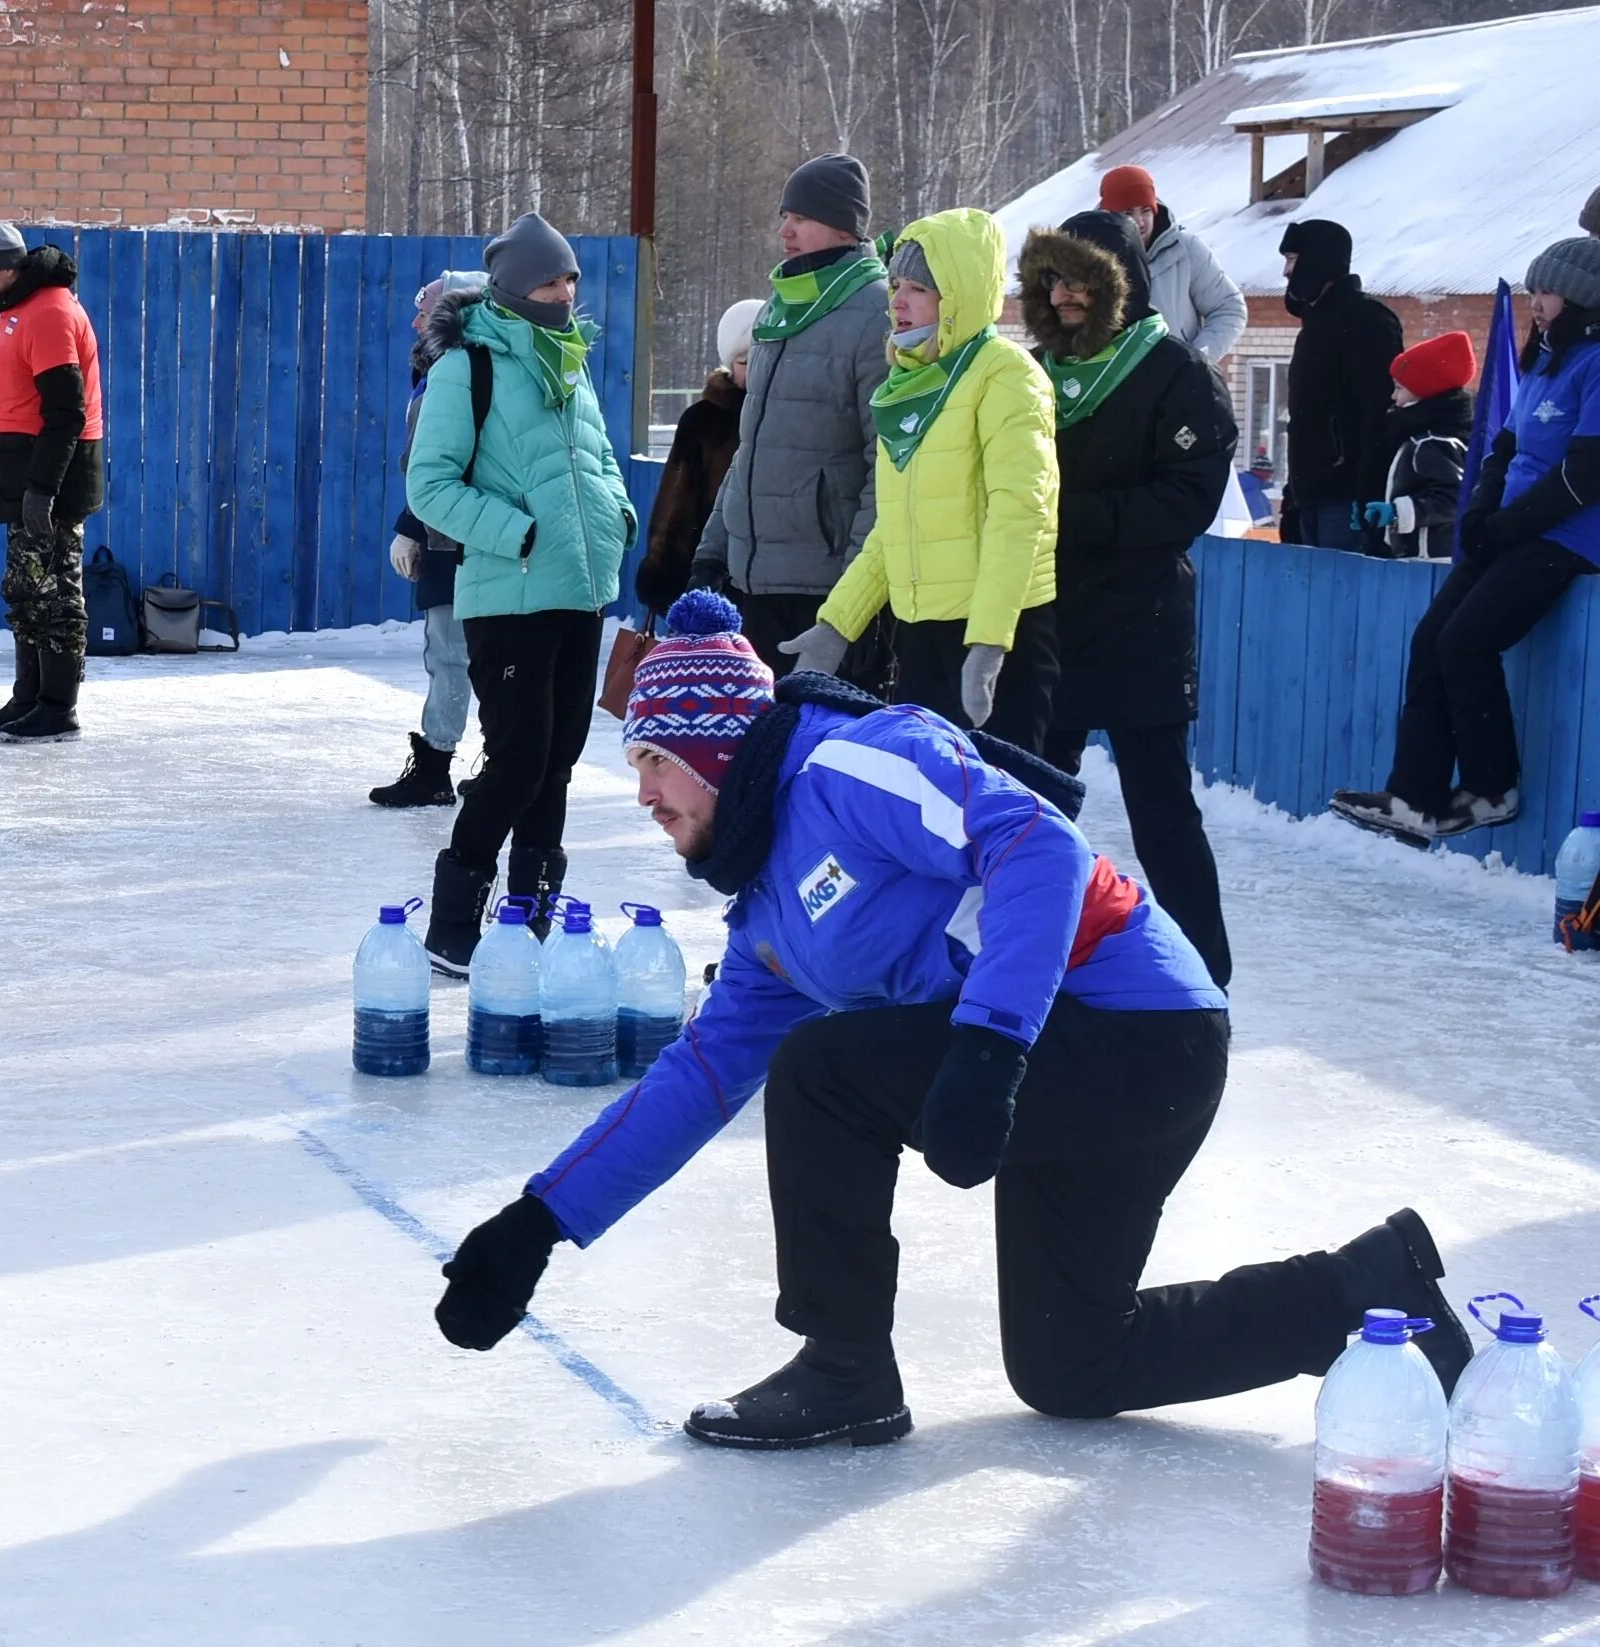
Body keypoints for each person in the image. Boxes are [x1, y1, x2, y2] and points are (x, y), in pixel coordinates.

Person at [432, 591, 1471, 1449]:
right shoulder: (766, 919)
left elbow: (1041, 848)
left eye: (653, 759)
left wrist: (985, 1048)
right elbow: (697, 1080)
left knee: (821, 1067)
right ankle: (1364, 1293)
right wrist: (542, 1222)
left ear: (714, 745)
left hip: (1138, 1030)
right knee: (1073, 1364)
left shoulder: (849, 766)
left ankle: (843, 1367)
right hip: (1069, 1062)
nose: (644, 794)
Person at [406, 211, 636, 973]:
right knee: (517, 761)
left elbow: (598, 463)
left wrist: (616, 520)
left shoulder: (568, 362)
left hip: (578, 590)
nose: (564, 290)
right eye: (549, 277)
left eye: (570, 276)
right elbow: (430, 484)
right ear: (510, 288)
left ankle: (531, 920)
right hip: (507, 596)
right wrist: (517, 533)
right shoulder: (465, 367)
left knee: (559, 758)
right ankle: (452, 926)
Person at [1018, 211, 1237, 990]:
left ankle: (1203, 978)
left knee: (1161, 813)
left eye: (1080, 278)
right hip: (1050, 619)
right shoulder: (1036, 370)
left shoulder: (1176, 372)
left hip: (1141, 619)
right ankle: (1024, 964)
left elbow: (1186, 501)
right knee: (1033, 808)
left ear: (1121, 284)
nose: (1063, 293)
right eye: (1051, 277)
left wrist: (1076, 517)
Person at [1333, 239, 1600, 844]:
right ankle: (1413, 798)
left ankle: (1491, 788)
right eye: (1532, 291)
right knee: (1431, 640)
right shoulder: (1546, 358)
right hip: (1512, 527)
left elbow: (1585, 475)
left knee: (1465, 644)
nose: (1535, 303)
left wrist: (1505, 526)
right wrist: (1478, 511)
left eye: (1546, 292)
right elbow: (1503, 447)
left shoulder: (1596, 364)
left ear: (1582, 297)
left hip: (1564, 537)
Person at [787, 209, 1063, 750]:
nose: (897, 301)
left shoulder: (1005, 374)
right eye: (895, 285)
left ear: (957, 296)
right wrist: (837, 625)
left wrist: (988, 641)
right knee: (931, 816)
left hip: (1000, 633)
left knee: (1003, 818)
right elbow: (895, 529)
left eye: (918, 288)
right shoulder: (909, 383)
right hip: (922, 633)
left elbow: (1021, 514)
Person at [689, 154, 893, 693]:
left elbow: (887, 466)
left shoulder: (876, 313)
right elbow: (753, 449)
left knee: (815, 757)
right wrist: (712, 551)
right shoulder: (781, 309)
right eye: (785, 215)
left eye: (801, 217)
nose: (785, 230)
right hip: (751, 581)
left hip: (822, 591)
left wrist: (857, 599)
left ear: (845, 223)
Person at [0, 222, 105, 745]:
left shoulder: (49, 312)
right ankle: (28, 693)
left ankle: (57, 705)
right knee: (27, 585)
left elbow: (66, 413)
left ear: (6, 268)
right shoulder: (15, 310)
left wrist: (42, 489)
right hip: (21, 462)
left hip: (54, 472)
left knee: (55, 591)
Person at [372, 271, 488, 809]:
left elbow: (443, 466)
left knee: (454, 654)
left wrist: (411, 525)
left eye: (428, 311)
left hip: (460, 541)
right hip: (451, 535)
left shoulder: (458, 376)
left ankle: (440, 765)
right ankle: (470, 763)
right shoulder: (438, 373)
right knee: (457, 653)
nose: (416, 321)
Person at [1275, 220, 1402, 552]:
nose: (1286, 272)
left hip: (1347, 500)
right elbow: (1303, 420)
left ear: (1318, 261)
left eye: (1292, 259)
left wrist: (1369, 492)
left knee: (1341, 597)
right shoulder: (1312, 327)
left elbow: (1380, 414)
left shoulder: (1368, 321)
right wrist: (1293, 494)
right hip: (1309, 497)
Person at [631, 300, 752, 612]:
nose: (756, 369)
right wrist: (663, 573)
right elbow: (676, 502)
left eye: (765, 357)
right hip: (711, 581)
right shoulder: (704, 419)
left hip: (772, 584)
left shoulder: (790, 416)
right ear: (729, 363)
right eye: (745, 360)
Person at [1096, 165, 1244, 364]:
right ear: (1109, 214)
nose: (1139, 222)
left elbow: (1229, 307)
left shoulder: (1186, 250)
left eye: (1146, 211)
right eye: (1128, 212)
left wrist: (1197, 359)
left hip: (1176, 384)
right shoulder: (1088, 256)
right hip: (1106, 382)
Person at [1361, 332, 1476, 561]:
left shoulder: (1432, 443)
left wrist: (1397, 513)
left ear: (1424, 392)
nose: (1394, 397)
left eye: (1399, 388)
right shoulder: (1419, 437)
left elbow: (1454, 498)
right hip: (1420, 557)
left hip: (1432, 559)